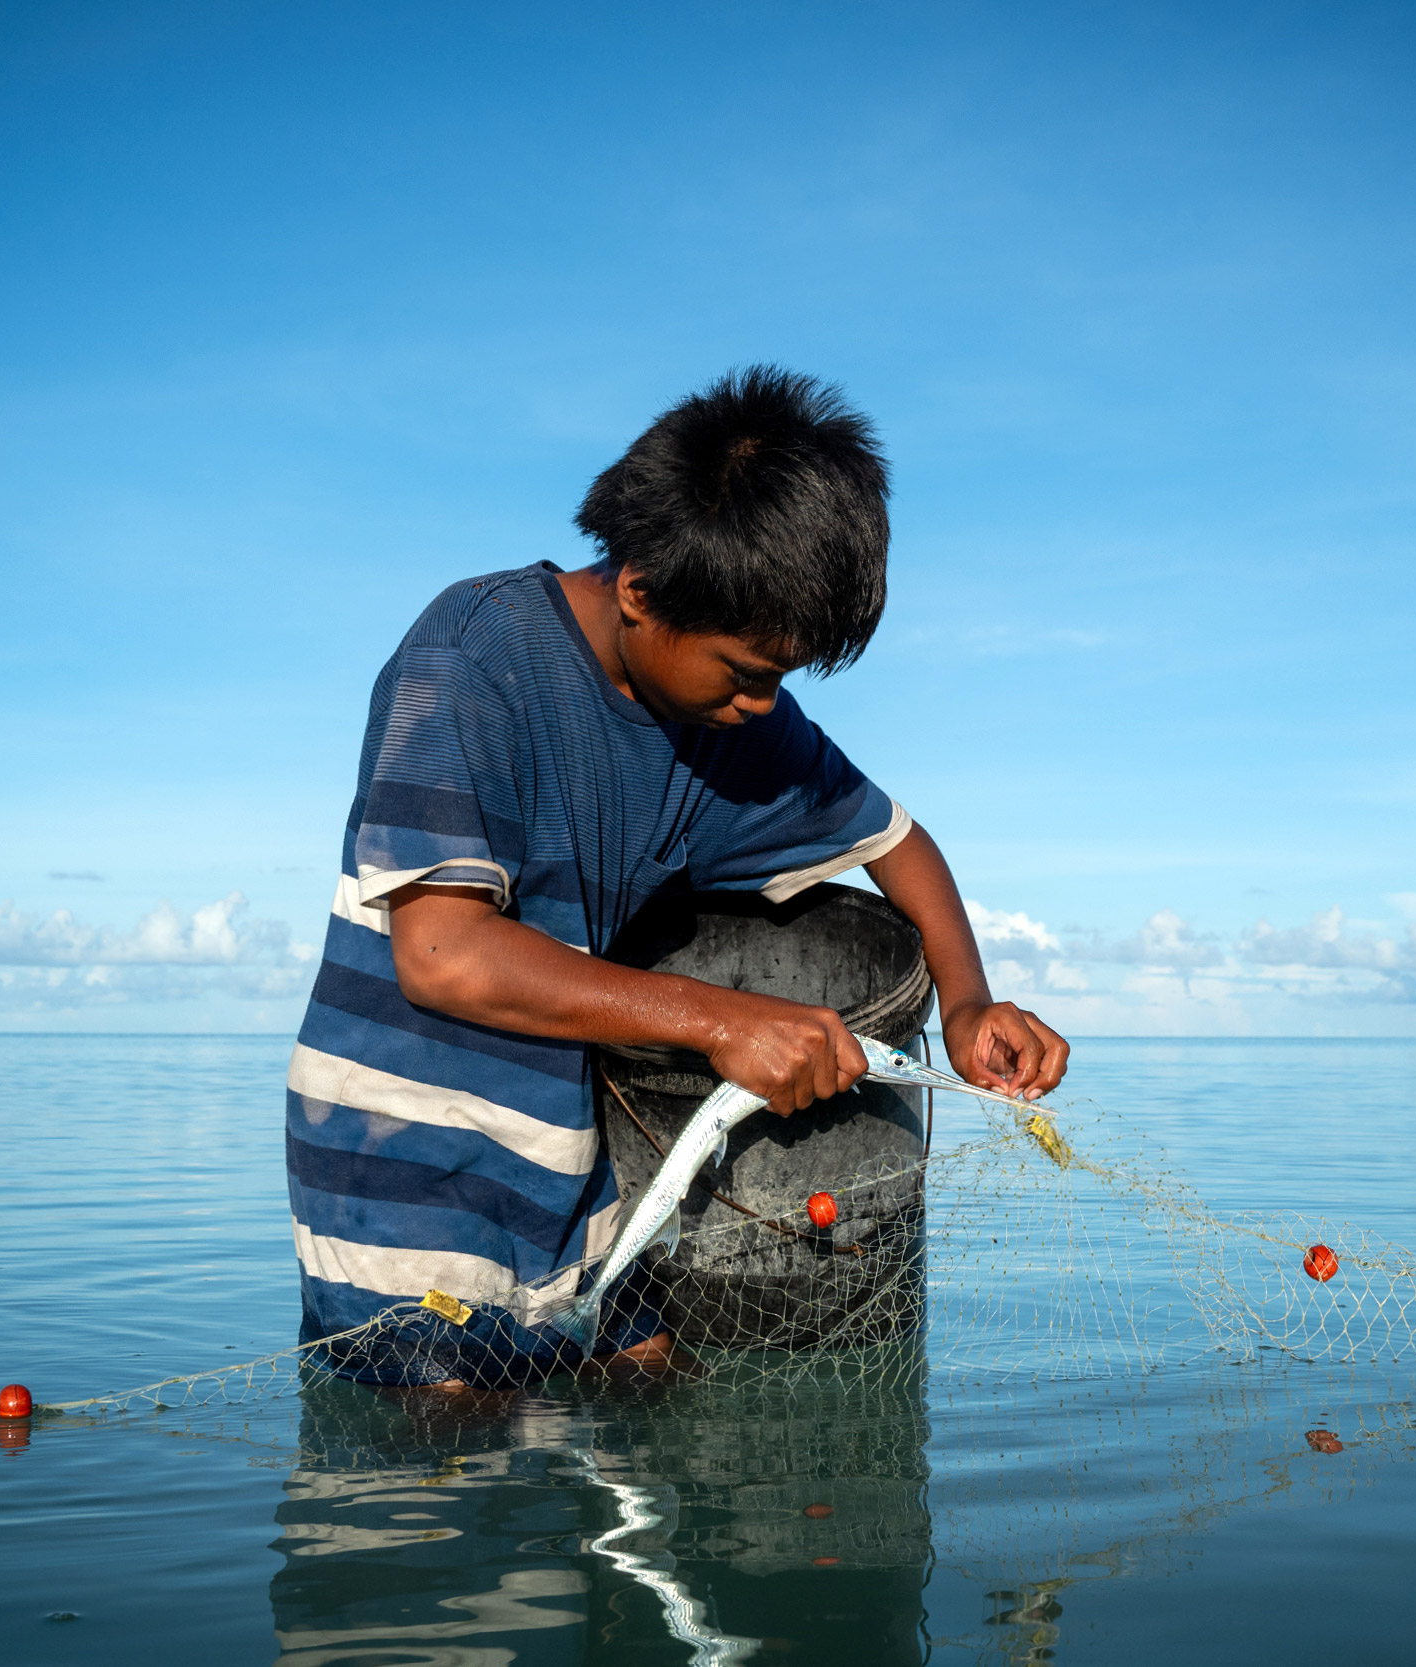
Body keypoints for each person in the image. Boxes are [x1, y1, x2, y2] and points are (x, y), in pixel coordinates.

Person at [286, 364, 1070, 1389]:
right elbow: (443, 955)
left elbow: (898, 843)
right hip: (399, 1162)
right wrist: (720, 1021)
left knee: (649, 1379)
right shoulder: (473, 657)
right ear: (640, 587)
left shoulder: (725, 729)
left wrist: (966, 1003)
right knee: (448, 1438)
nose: (762, 704)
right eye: (746, 672)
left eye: (782, 678)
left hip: (569, 1158)